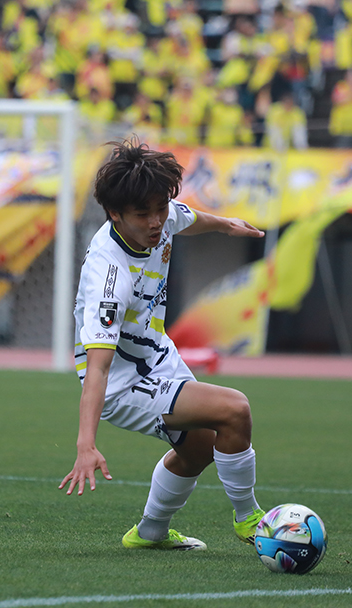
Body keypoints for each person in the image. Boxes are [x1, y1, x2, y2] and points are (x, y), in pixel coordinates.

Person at [59, 138, 266, 551]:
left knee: (199, 448)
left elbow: (189, 218)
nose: (156, 221)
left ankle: (149, 533)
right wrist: (86, 444)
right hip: (122, 383)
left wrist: (226, 224)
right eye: (143, 214)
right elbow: (97, 369)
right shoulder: (108, 276)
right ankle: (251, 519)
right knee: (234, 409)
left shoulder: (161, 216)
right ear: (115, 214)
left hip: (156, 354)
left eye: (160, 208)